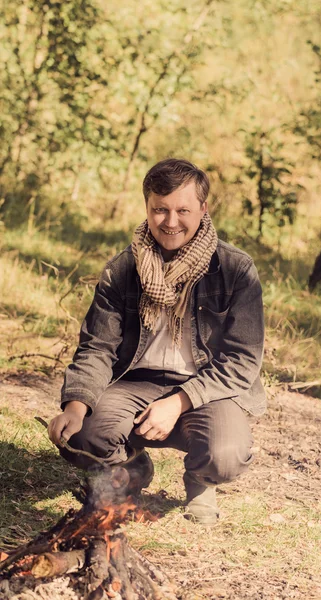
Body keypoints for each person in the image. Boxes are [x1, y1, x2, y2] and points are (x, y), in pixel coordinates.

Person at [48, 158, 266, 525]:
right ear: (147, 207)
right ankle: (129, 468)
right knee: (83, 432)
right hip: (134, 382)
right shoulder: (122, 269)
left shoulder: (235, 269)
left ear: (203, 208)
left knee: (226, 453)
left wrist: (179, 402)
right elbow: (97, 347)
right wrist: (75, 405)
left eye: (183, 210)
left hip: (207, 389)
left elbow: (242, 361)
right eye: (159, 209)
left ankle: (201, 481)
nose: (170, 222)